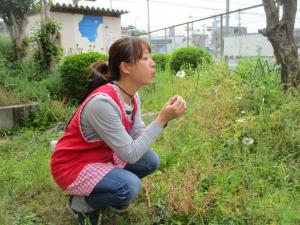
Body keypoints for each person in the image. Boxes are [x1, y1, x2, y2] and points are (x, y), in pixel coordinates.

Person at [50, 37, 187, 225]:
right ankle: (80, 202)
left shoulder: (131, 95)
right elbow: (130, 154)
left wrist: (163, 119)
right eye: (145, 58)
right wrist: (161, 119)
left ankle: (111, 194)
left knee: (150, 160)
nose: (153, 63)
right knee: (129, 187)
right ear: (126, 67)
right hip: (73, 165)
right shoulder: (103, 103)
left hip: (100, 157)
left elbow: (138, 136)